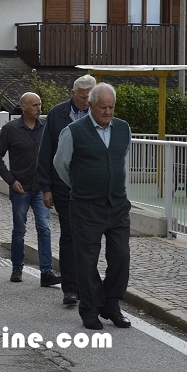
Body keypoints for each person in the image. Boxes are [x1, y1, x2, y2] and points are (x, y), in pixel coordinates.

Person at [54, 83, 132, 331]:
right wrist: (82, 186)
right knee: (86, 261)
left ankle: (111, 303)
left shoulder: (123, 129)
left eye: (111, 107)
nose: (108, 112)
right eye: (103, 107)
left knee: (120, 257)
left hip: (117, 205)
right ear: (90, 105)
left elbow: (120, 160)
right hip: (86, 206)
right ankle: (89, 309)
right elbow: (61, 165)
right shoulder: (73, 131)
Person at [37, 74, 96, 307]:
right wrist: (46, 188)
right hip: (62, 185)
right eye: (82, 97)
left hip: (90, 186)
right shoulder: (57, 115)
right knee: (70, 233)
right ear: (73, 94)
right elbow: (46, 152)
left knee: (89, 236)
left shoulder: (98, 114)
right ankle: (71, 288)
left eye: (89, 97)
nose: (85, 101)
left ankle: (87, 284)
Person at [0, 92, 61, 287]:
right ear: (23, 107)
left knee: (44, 228)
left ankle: (46, 272)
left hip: (41, 187)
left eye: (40, 104)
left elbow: (53, 155)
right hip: (20, 187)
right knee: (19, 229)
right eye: (34, 105)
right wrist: (11, 180)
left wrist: (51, 184)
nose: (39, 108)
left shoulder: (46, 128)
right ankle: (17, 267)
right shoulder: (10, 129)